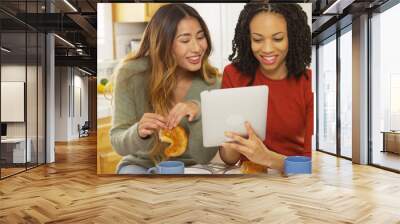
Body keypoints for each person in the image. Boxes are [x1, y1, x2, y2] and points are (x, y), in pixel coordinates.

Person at [110, 4, 220, 174]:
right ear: (164, 43)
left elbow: (204, 156)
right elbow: (118, 142)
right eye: (185, 40)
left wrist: (199, 112)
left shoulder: (212, 84)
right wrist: (138, 132)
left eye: (201, 37)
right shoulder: (131, 74)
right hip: (139, 165)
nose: (197, 48)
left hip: (191, 168)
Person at [219, 3, 313, 173]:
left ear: (292, 37)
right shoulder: (233, 74)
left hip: (292, 183)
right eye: (257, 39)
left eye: (277, 39)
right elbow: (229, 159)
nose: (267, 49)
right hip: (250, 180)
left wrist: (267, 157)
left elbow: (308, 166)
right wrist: (233, 137)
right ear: (248, 39)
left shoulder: (307, 81)